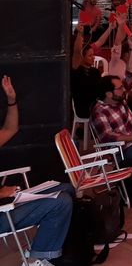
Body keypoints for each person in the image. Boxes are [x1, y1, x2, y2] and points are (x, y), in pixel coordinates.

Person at [0, 77, 75, 265]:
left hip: (8, 201)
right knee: (61, 202)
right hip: (3, 212)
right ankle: (39, 257)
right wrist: (1, 193)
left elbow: (10, 129)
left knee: (67, 188)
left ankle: (47, 243)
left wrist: (11, 100)